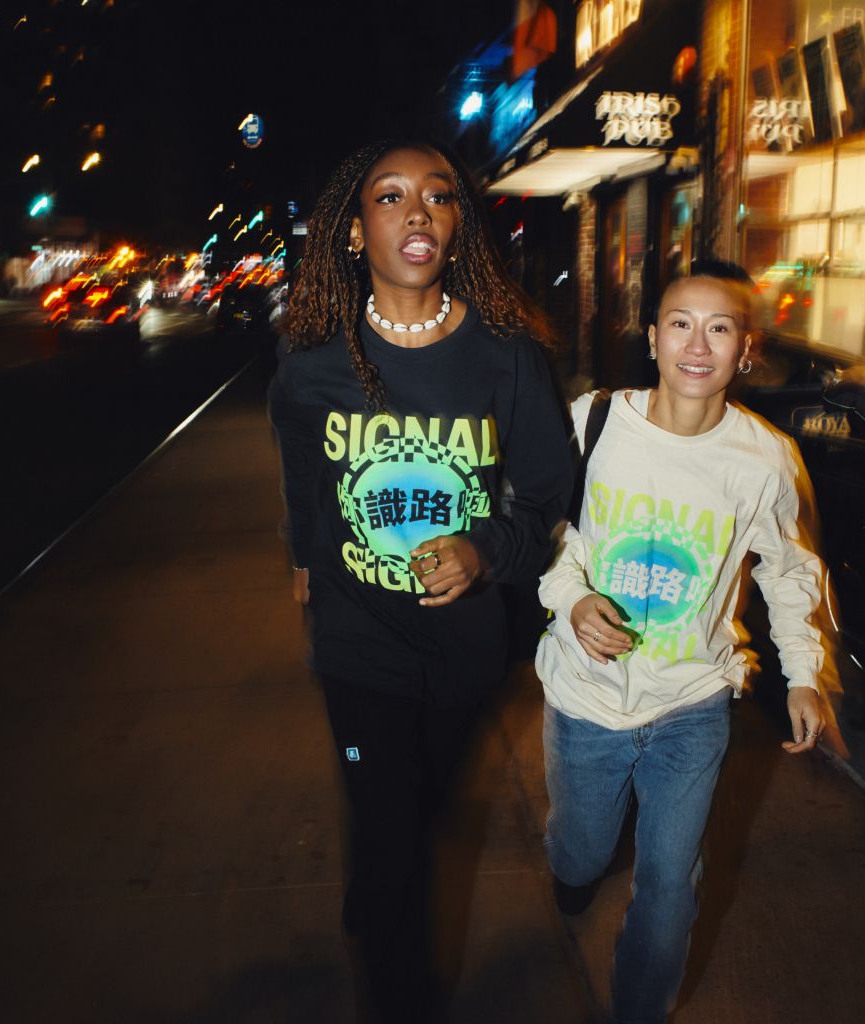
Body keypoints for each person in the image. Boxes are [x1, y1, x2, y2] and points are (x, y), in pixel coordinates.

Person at [267, 138, 572, 1022]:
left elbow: (548, 494)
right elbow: (301, 467)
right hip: (358, 644)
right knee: (391, 826)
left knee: (419, 812)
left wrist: (484, 551)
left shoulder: (506, 353)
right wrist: (304, 557)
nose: (417, 212)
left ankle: (378, 881)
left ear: (457, 224)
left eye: (438, 197)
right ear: (354, 229)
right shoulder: (314, 357)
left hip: (467, 649)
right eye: (390, 196)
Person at [535, 260, 829, 1024]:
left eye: (719, 328)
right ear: (653, 339)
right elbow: (545, 535)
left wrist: (803, 673)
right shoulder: (594, 423)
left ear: (746, 350)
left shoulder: (765, 458)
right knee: (582, 852)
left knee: (671, 883)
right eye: (680, 324)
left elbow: (790, 569)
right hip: (587, 699)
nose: (698, 345)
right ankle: (572, 867)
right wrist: (573, 598)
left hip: (694, 701)